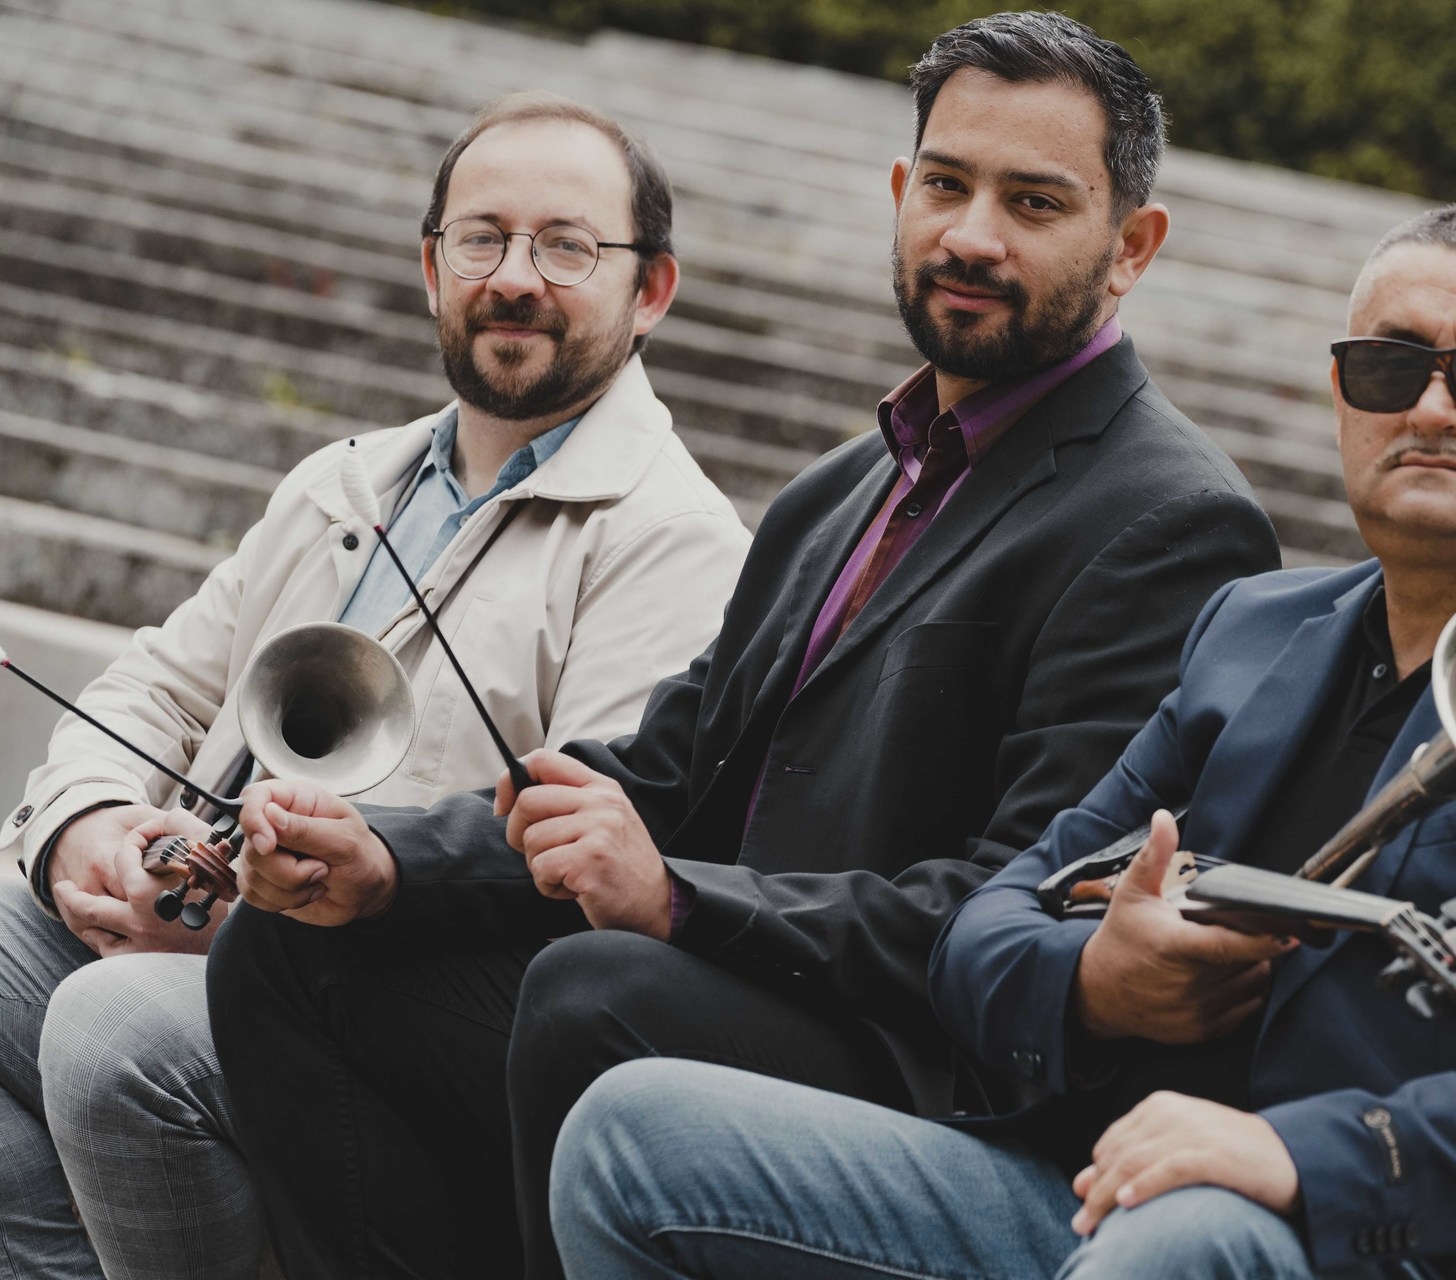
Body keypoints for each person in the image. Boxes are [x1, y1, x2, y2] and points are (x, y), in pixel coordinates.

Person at [206, 13, 1282, 1280]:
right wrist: (384, 857)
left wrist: (678, 899)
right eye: (945, 184)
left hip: (934, 1064)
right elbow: (663, 766)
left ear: (1131, 246)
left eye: (1034, 201)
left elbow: (1030, 903)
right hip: (747, 988)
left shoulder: (1170, 520)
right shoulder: (842, 487)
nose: (972, 235)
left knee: (595, 989)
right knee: (288, 950)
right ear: (902, 194)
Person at [547, 203, 1456, 1280]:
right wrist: (1096, 980)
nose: (1430, 406)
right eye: (1386, 367)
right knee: (635, 1133)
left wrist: (1288, 1154)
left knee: (1189, 1232)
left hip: (1392, 1244)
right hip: (1119, 1209)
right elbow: (990, 920)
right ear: (1339, 395)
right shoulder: (1254, 627)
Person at [0, 92, 749, 1280]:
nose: (515, 277)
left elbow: (580, 854)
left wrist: (272, 908)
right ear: (430, 264)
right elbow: (157, 683)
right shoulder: (337, 480)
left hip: (346, 1002)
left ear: (649, 288)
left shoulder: (679, 541)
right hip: (183, 918)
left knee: (110, 1032)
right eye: (481, 237)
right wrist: (86, 828)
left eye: (567, 244)